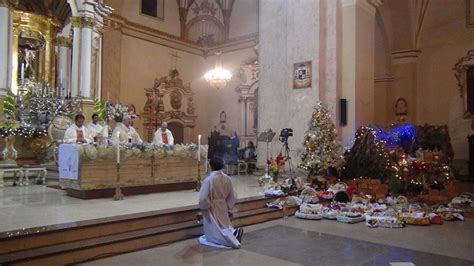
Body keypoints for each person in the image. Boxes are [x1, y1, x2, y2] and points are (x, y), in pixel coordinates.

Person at [198, 157, 243, 249]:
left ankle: (229, 239)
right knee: (224, 224)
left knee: (215, 229)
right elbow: (233, 195)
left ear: (210, 166)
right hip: (223, 204)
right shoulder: (227, 178)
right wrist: (228, 205)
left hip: (212, 206)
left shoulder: (209, 180)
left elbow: (203, 198)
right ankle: (233, 233)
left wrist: (205, 207)